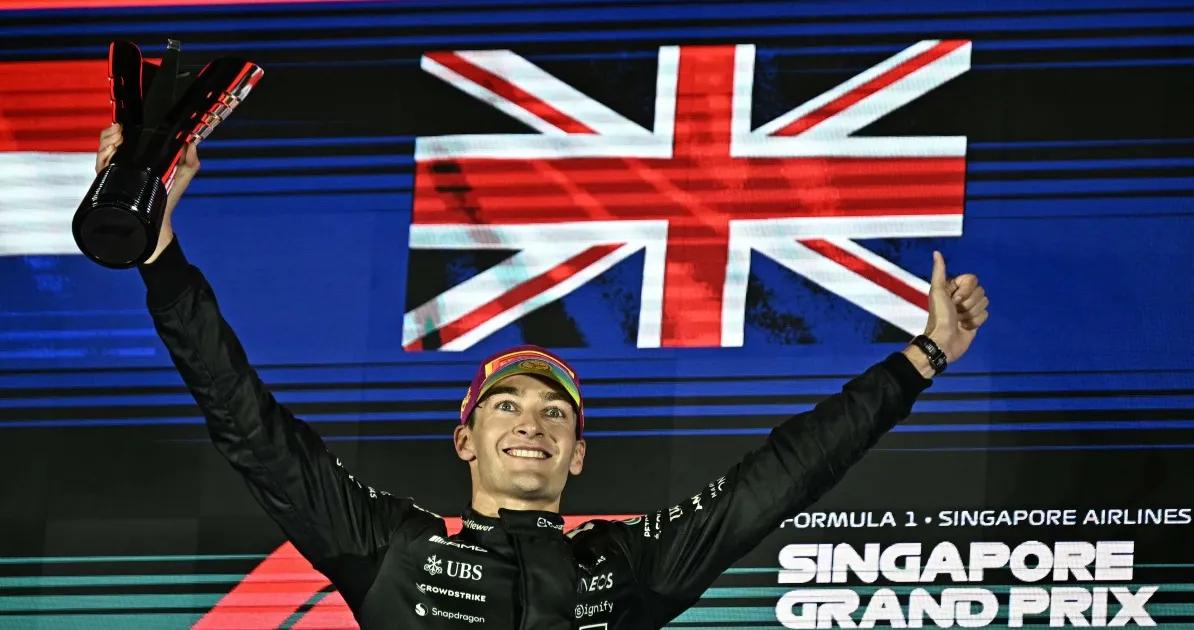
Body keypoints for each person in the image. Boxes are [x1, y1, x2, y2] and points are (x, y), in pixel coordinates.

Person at [96, 123, 990, 629]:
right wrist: (160, 255)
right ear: (466, 438)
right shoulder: (391, 549)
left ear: (577, 455)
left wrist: (923, 357)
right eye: (507, 405)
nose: (532, 423)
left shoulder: (629, 565)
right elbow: (249, 424)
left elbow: (783, 474)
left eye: (555, 413)